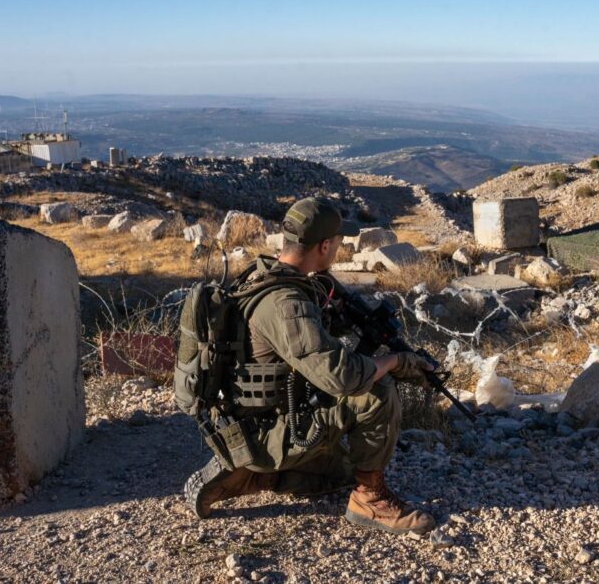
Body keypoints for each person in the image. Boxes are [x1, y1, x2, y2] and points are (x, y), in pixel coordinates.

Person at [183, 197, 437, 535]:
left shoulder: (264, 276)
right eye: (338, 243)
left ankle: (251, 474)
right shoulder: (286, 303)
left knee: (343, 472)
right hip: (264, 431)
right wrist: (395, 361)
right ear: (325, 245)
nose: (339, 249)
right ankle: (368, 500)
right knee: (376, 390)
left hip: (249, 421)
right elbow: (344, 377)